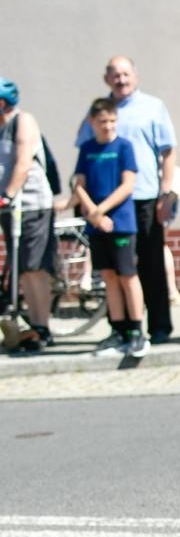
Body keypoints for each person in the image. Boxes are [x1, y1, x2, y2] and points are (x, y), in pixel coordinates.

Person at [78, 57, 179, 343]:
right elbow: (84, 147)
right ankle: (120, 329)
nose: (121, 80)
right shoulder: (100, 110)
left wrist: (167, 192)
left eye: (126, 74)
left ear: (135, 76)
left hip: (145, 196)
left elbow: (168, 151)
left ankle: (158, 327)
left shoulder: (152, 107)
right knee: (114, 270)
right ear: (106, 79)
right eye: (115, 75)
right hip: (108, 205)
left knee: (151, 264)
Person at [73, 98, 146, 357]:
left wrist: (101, 210)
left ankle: (137, 331)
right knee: (109, 277)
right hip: (96, 225)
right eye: (103, 121)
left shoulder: (124, 147)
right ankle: (118, 330)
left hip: (120, 222)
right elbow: (79, 184)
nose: (108, 126)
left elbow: (127, 185)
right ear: (92, 122)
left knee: (127, 275)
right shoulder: (87, 149)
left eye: (112, 121)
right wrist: (92, 213)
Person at [0, 77, 56, 353]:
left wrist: (8, 193)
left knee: (35, 268)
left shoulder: (23, 121)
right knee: (21, 268)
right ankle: (31, 327)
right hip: (10, 209)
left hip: (31, 204)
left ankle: (42, 327)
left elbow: (23, 161)